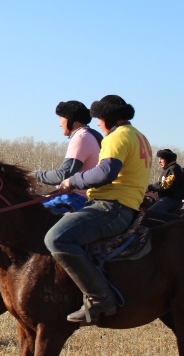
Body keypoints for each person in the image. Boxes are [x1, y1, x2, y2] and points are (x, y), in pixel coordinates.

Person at [44, 95, 152, 325]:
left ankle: (100, 299)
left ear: (106, 118)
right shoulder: (139, 137)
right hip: (127, 205)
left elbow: (105, 172)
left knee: (57, 238)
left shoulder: (116, 137)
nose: (98, 125)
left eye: (99, 119)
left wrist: (73, 181)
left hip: (111, 206)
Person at [33, 101, 103, 214]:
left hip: (79, 199)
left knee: (30, 213)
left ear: (71, 120)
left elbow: (62, 175)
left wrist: (33, 175)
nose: (60, 124)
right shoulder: (92, 134)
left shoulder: (81, 138)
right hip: (81, 197)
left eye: (61, 119)